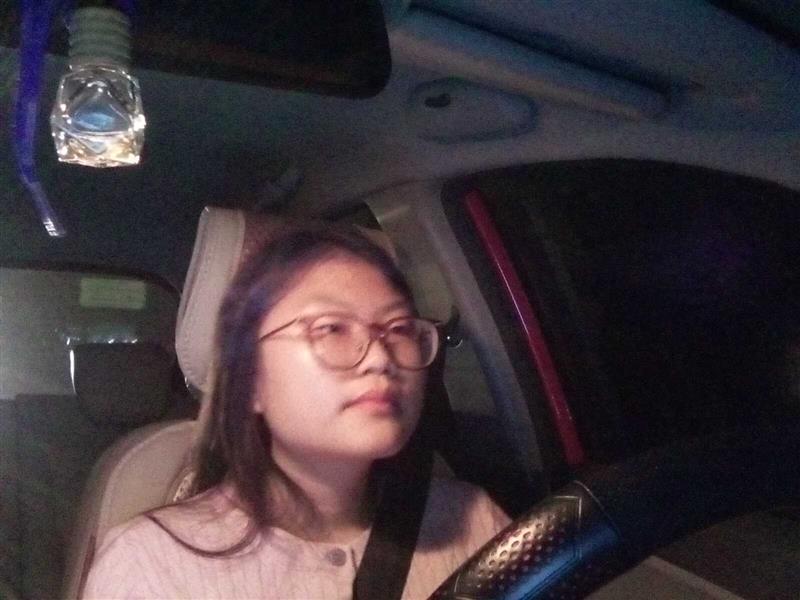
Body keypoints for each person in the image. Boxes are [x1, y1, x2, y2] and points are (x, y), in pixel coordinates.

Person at [83, 224, 510, 599]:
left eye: (398, 329)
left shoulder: (475, 525)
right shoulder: (151, 566)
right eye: (332, 328)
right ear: (250, 380)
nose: (381, 358)